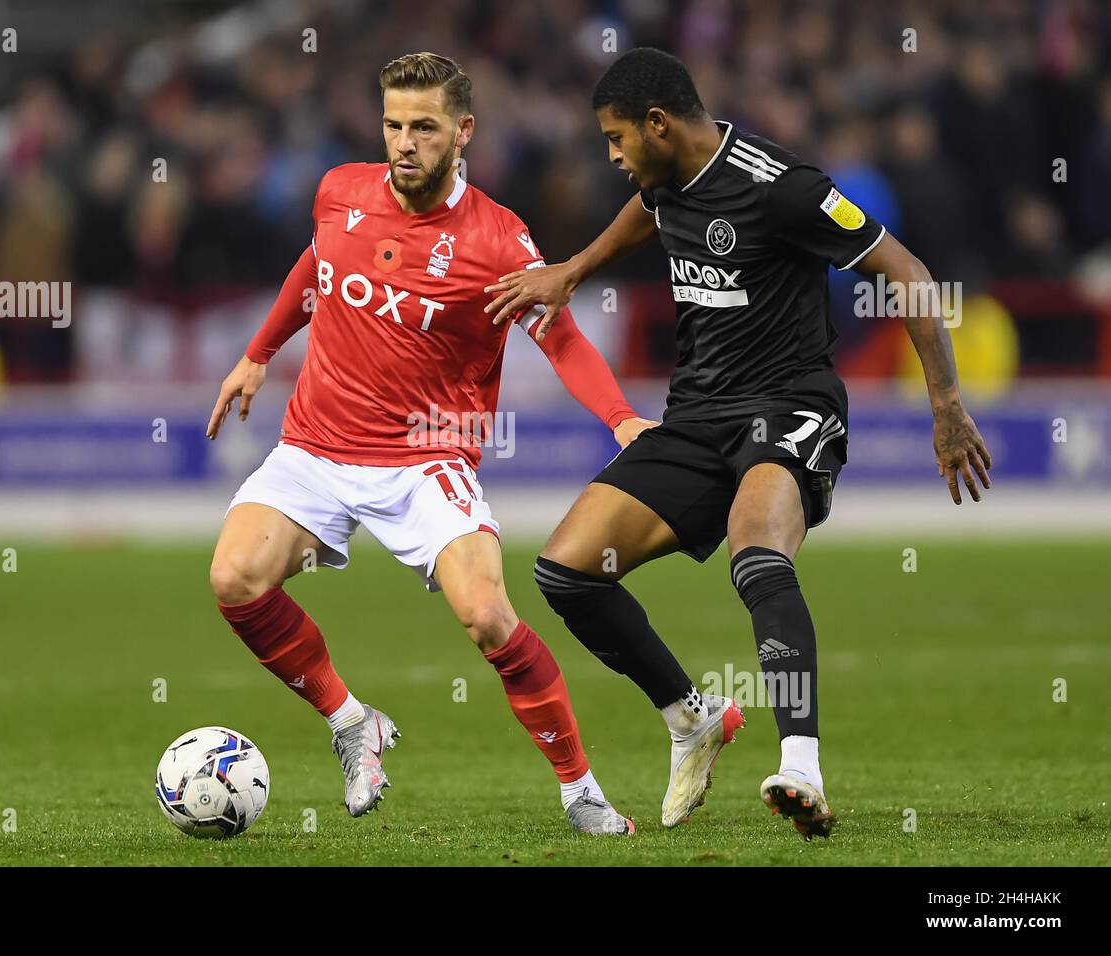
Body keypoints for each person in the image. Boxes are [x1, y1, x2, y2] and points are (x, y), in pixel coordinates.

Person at [486, 48, 993, 839]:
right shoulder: (662, 181)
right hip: (696, 417)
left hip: (790, 407)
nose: (613, 157)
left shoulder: (782, 187)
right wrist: (573, 269)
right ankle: (692, 718)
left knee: (754, 549)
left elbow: (910, 272)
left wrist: (948, 402)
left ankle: (801, 766)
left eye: (617, 139)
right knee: (567, 571)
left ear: (659, 124)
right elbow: (647, 212)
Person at [206, 52, 655, 835]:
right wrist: (257, 352)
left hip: (426, 458)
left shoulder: (497, 240)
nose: (404, 142)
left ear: (462, 132)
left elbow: (561, 339)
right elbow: (316, 270)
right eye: (392, 124)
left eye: (423, 127)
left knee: (487, 616)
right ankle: (353, 723)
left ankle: (580, 789)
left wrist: (620, 420)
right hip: (316, 445)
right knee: (235, 578)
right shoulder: (339, 191)